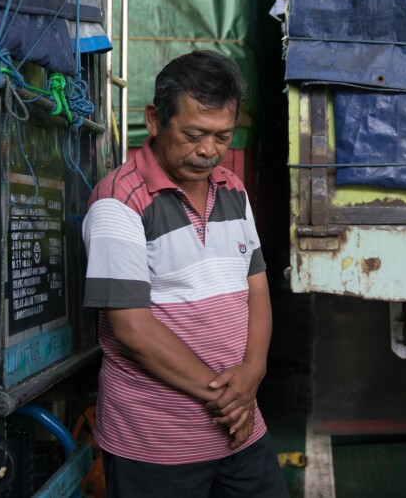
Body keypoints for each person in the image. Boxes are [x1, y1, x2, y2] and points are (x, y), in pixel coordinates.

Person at [82, 50, 288, 497]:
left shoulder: (232, 189)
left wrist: (253, 371)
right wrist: (230, 397)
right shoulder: (119, 202)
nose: (209, 151)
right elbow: (132, 328)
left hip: (242, 428)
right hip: (156, 442)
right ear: (155, 119)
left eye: (222, 137)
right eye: (194, 134)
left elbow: (257, 289)